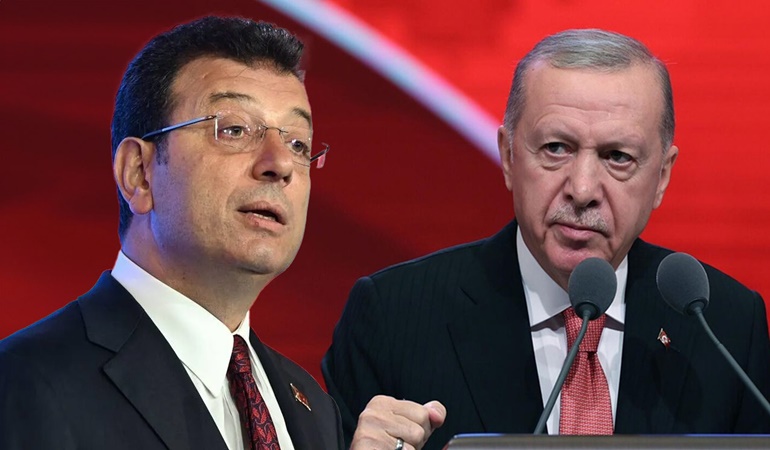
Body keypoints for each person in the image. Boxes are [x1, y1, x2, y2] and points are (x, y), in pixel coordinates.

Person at [323, 28, 770, 450]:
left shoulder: (727, 326)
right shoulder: (393, 316)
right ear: (508, 156)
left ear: (662, 177)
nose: (582, 188)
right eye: (556, 148)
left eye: (617, 156)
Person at [0, 16, 343, 450]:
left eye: (298, 143)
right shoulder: (26, 381)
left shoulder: (313, 408)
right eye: (234, 129)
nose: (280, 164)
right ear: (139, 173)